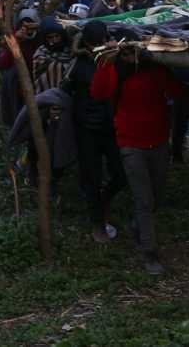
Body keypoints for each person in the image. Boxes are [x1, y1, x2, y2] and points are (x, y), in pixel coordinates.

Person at [90, 41, 182, 275]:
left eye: (134, 52)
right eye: (126, 52)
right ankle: (150, 252)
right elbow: (99, 93)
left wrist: (164, 66)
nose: (130, 57)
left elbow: (176, 91)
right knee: (144, 199)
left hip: (159, 142)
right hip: (131, 145)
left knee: (156, 196)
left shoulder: (156, 71)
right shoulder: (116, 72)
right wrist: (107, 64)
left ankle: (136, 224)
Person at [63, 21, 126, 243]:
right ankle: (97, 223)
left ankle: (104, 200)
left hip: (110, 126)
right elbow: (65, 89)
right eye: (94, 43)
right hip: (86, 129)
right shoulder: (79, 64)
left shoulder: (115, 59)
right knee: (92, 177)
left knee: (120, 173)